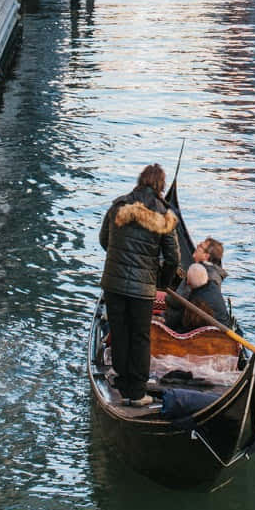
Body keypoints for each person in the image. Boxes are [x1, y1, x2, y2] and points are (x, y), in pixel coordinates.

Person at [99, 163, 180, 404]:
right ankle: (136, 393)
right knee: (140, 337)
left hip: (113, 284)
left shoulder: (119, 206)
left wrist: (118, 260)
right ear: (161, 186)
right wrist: (161, 283)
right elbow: (173, 258)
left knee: (120, 332)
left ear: (140, 180)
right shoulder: (164, 216)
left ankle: (123, 385)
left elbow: (105, 240)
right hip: (143, 288)